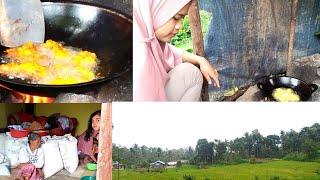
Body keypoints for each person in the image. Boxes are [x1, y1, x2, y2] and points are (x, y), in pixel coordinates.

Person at [133, 0, 220, 101]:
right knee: (192, 74)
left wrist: (201, 60)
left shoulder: (144, 32)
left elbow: (169, 51)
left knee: (190, 72)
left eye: (182, 19)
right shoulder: (140, 54)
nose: (180, 26)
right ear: (155, 11)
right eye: (176, 18)